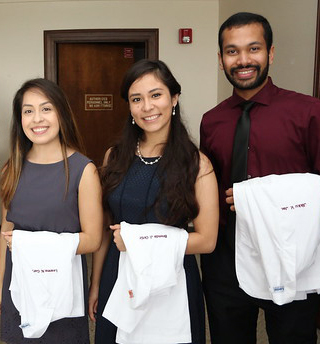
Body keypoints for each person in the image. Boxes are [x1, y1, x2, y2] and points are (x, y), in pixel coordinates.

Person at [200, 12, 320, 344]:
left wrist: (268, 198)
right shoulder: (212, 121)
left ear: (270, 53)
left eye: (254, 48)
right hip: (226, 260)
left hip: (292, 255)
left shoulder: (309, 112)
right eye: (232, 51)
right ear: (220, 59)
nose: (243, 60)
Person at [88, 59, 219, 344]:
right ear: (130, 107)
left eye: (156, 95)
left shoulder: (197, 164)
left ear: (174, 98)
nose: (147, 107)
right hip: (118, 272)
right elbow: (104, 231)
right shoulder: (115, 156)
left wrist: (137, 240)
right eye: (137, 99)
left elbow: (207, 240)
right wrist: (96, 283)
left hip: (172, 279)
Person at [0, 78, 103, 344]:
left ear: (61, 114)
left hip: (62, 287)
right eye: (28, 111)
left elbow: (92, 239)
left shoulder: (83, 170)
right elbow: (6, 232)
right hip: (18, 283)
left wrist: (31, 245)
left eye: (46, 109)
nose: (37, 119)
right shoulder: (11, 169)